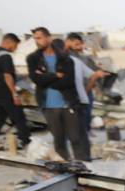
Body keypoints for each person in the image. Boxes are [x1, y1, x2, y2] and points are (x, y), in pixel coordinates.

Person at [27, 29, 86, 161]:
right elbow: (36, 79)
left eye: (40, 38)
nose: (37, 41)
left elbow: (69, 81)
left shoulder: (65, 58)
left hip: (68, 103)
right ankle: (66, 169)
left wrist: (46, 80)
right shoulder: (33, 59)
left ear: (48, 38)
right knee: (59, 141)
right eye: (35, 38)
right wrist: (55, 76)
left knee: (76, 139)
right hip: (49, 106)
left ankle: (83, 168)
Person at [0, 34, 29, 152]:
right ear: (9, 42)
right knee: (19, 117)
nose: (16, 48)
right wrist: (14, 93)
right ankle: (27, 144)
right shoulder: (6, 56)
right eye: (15, 45)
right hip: (5, 92)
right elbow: (7, 75)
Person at [65, 35, 105, 145]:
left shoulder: (85, 58)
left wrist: (96, 85)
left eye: (80, 44)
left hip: (87, 89)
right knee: (76, 115)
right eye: (76, 44)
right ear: (69, 43)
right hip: (75, 91)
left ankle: (86, 133)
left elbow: (93, 72)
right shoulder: (66, 57)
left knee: (87, 113)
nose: (79, 47)